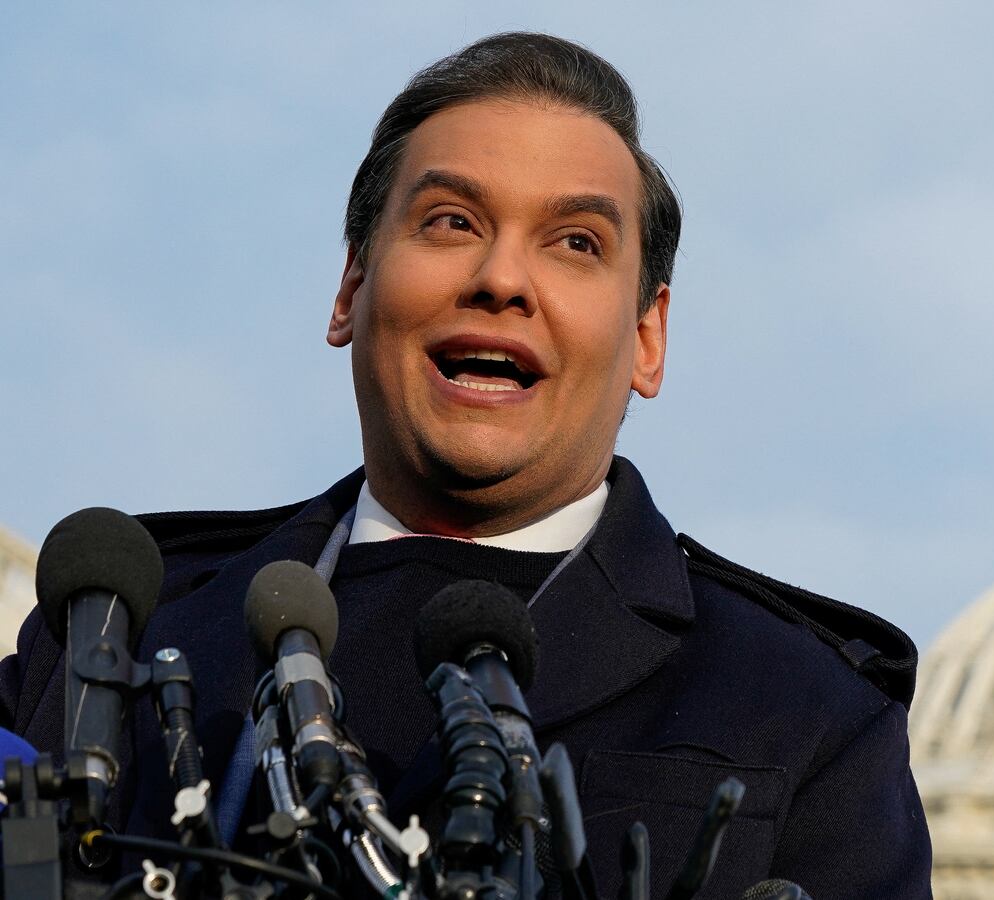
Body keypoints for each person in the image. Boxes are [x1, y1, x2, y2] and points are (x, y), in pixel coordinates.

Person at [0, 32, 932, 897]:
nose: (501, 279)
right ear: (351, 290)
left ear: (647, 339)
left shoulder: (803, 706)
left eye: (576, 243)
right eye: (450, 222)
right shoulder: (108, 637)